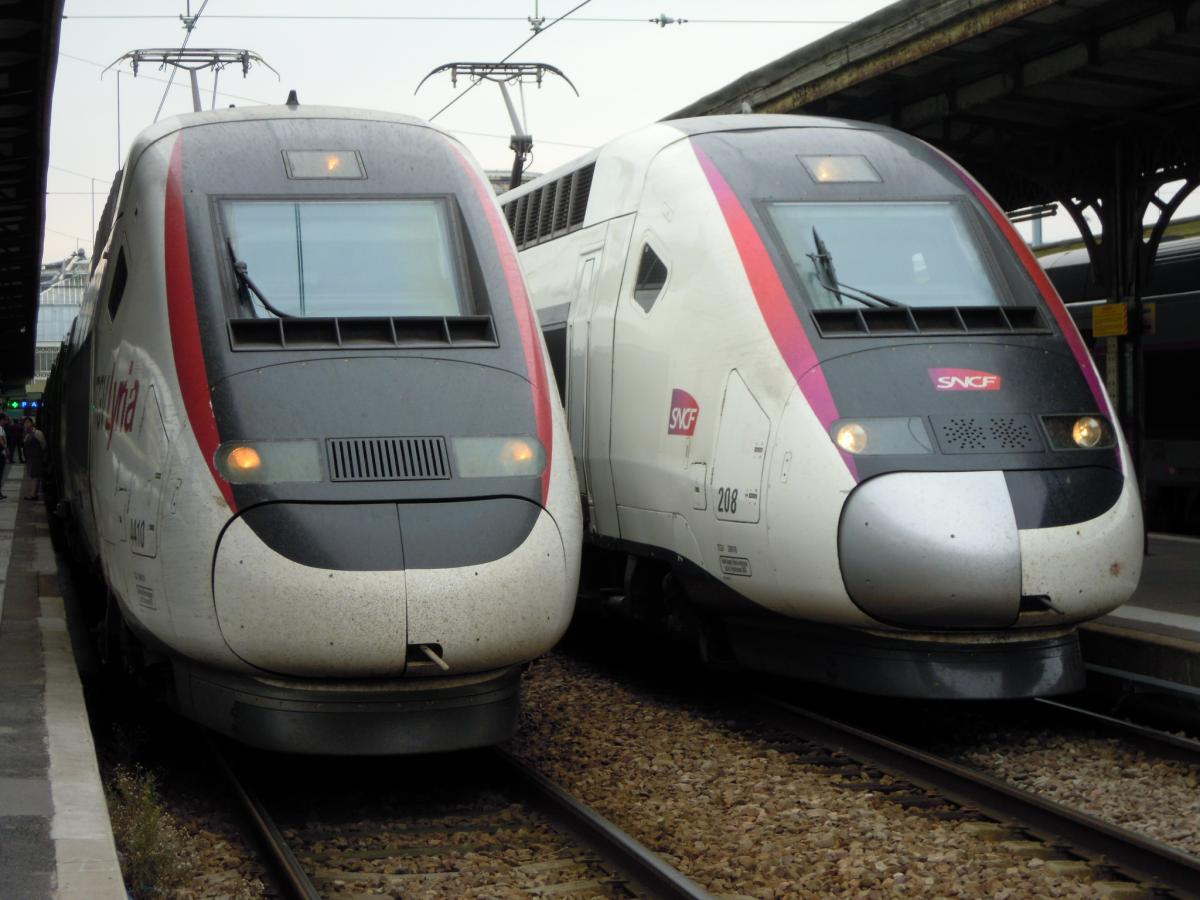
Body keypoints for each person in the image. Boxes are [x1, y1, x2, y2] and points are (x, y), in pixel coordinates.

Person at [22, 417, 45, 501]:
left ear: (32, 423)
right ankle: (33, 493)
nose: (26, 424)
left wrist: (39, 454)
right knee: (32, 475)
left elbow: (43, 444)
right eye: (25, 422)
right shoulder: (26, 434)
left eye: (28, 422)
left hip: (36, 457)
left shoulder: (37, 433)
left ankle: (33, 494)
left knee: (35, 476)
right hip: (30, 458)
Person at [0, 414, 7, 499]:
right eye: (5, 420)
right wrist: (6, 448)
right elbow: (0, 440)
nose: (6, 422)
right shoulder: (0, 428)